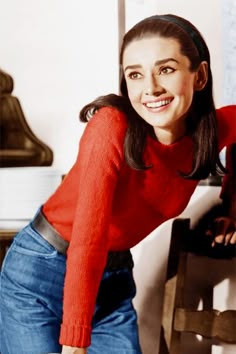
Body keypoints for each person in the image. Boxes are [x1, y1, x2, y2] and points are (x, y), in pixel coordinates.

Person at [0, 13, 235, 354]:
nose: (150, 88)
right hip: (40, 275)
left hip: (110, 282)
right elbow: (88, 238)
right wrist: (75, 343)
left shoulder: (207, 134)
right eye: (135, 75)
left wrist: (231, 205)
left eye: (166, 69)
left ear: (199, 76)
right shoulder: (111, 127)